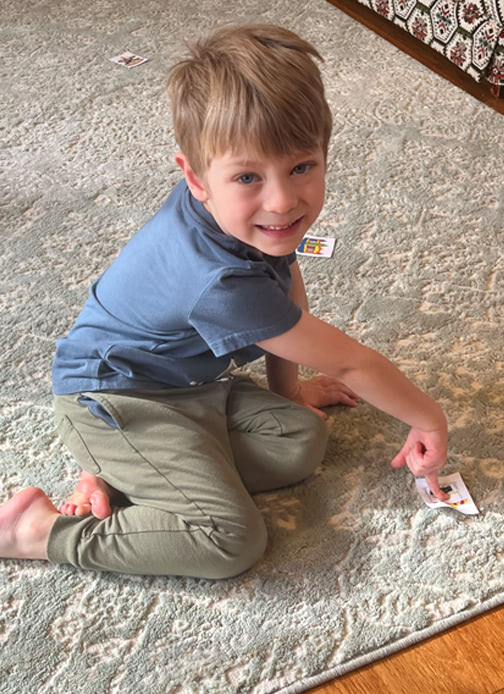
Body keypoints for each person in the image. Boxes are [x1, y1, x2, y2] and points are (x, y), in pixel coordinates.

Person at [0, 24, 449, 579]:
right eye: (248, 177)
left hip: (188, 387)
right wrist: (427, 417)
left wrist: (291, 391)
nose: (283, 201)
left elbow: (285, 292)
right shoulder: (219, 282)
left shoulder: (235, 214)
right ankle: (39, 531)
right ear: (194, 176)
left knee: (300, 439)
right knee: (228, 539)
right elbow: (350, 361)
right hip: (112, 402)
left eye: (301, 167)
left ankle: (129, 478)